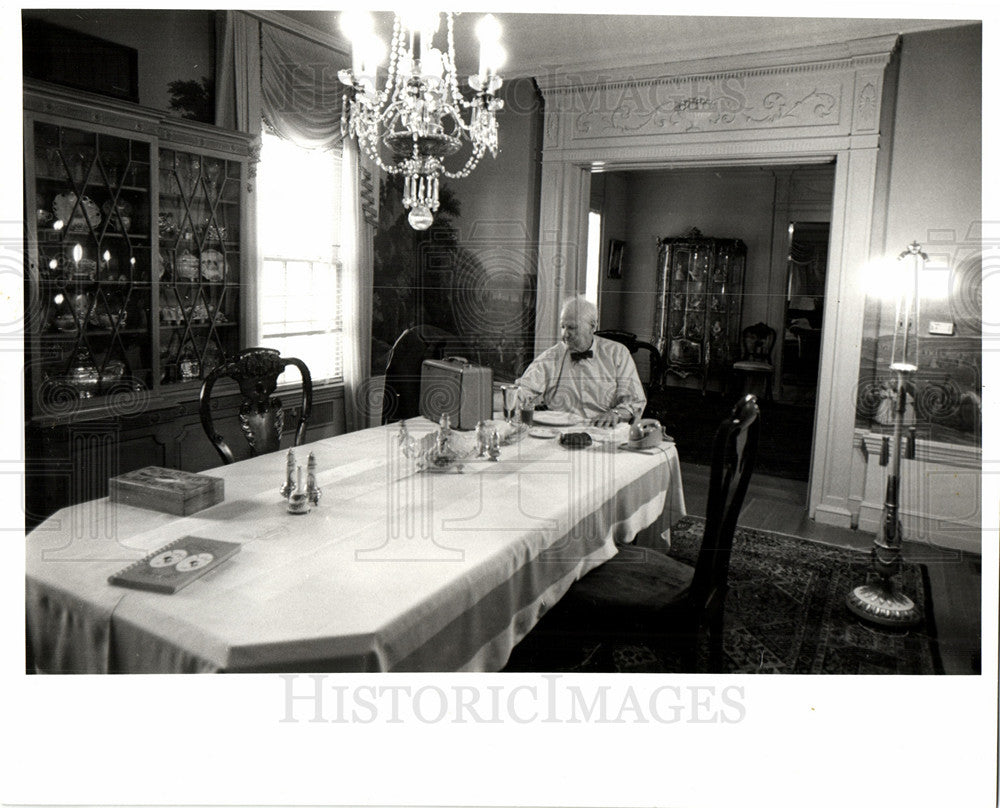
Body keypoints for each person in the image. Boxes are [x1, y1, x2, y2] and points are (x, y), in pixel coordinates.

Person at [515, 296, 646, 427]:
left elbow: (634, 401)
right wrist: (506, 400)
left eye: (571, 328)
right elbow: (524, 390)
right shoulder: (551, 357)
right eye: (562, 326)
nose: (565, 334)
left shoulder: (618, 354)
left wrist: (616, 413)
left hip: (603, 429)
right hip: (557, 431)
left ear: (592, 326)